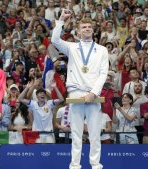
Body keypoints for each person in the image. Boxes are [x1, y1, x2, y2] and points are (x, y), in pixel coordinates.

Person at [51, 9, 109, 169]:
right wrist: (61, 19)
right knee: (76, 133)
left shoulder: (102, 50)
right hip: (76, 93)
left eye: (89, 26)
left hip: (93, 93)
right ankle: (75, 165)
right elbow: (55, 40)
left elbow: (104, 73)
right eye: (83, 27)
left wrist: (94, 92)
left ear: (93, 29)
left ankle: (95, 164)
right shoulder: (71, 47)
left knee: (95, 133)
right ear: (78, 31)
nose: (87, 29)